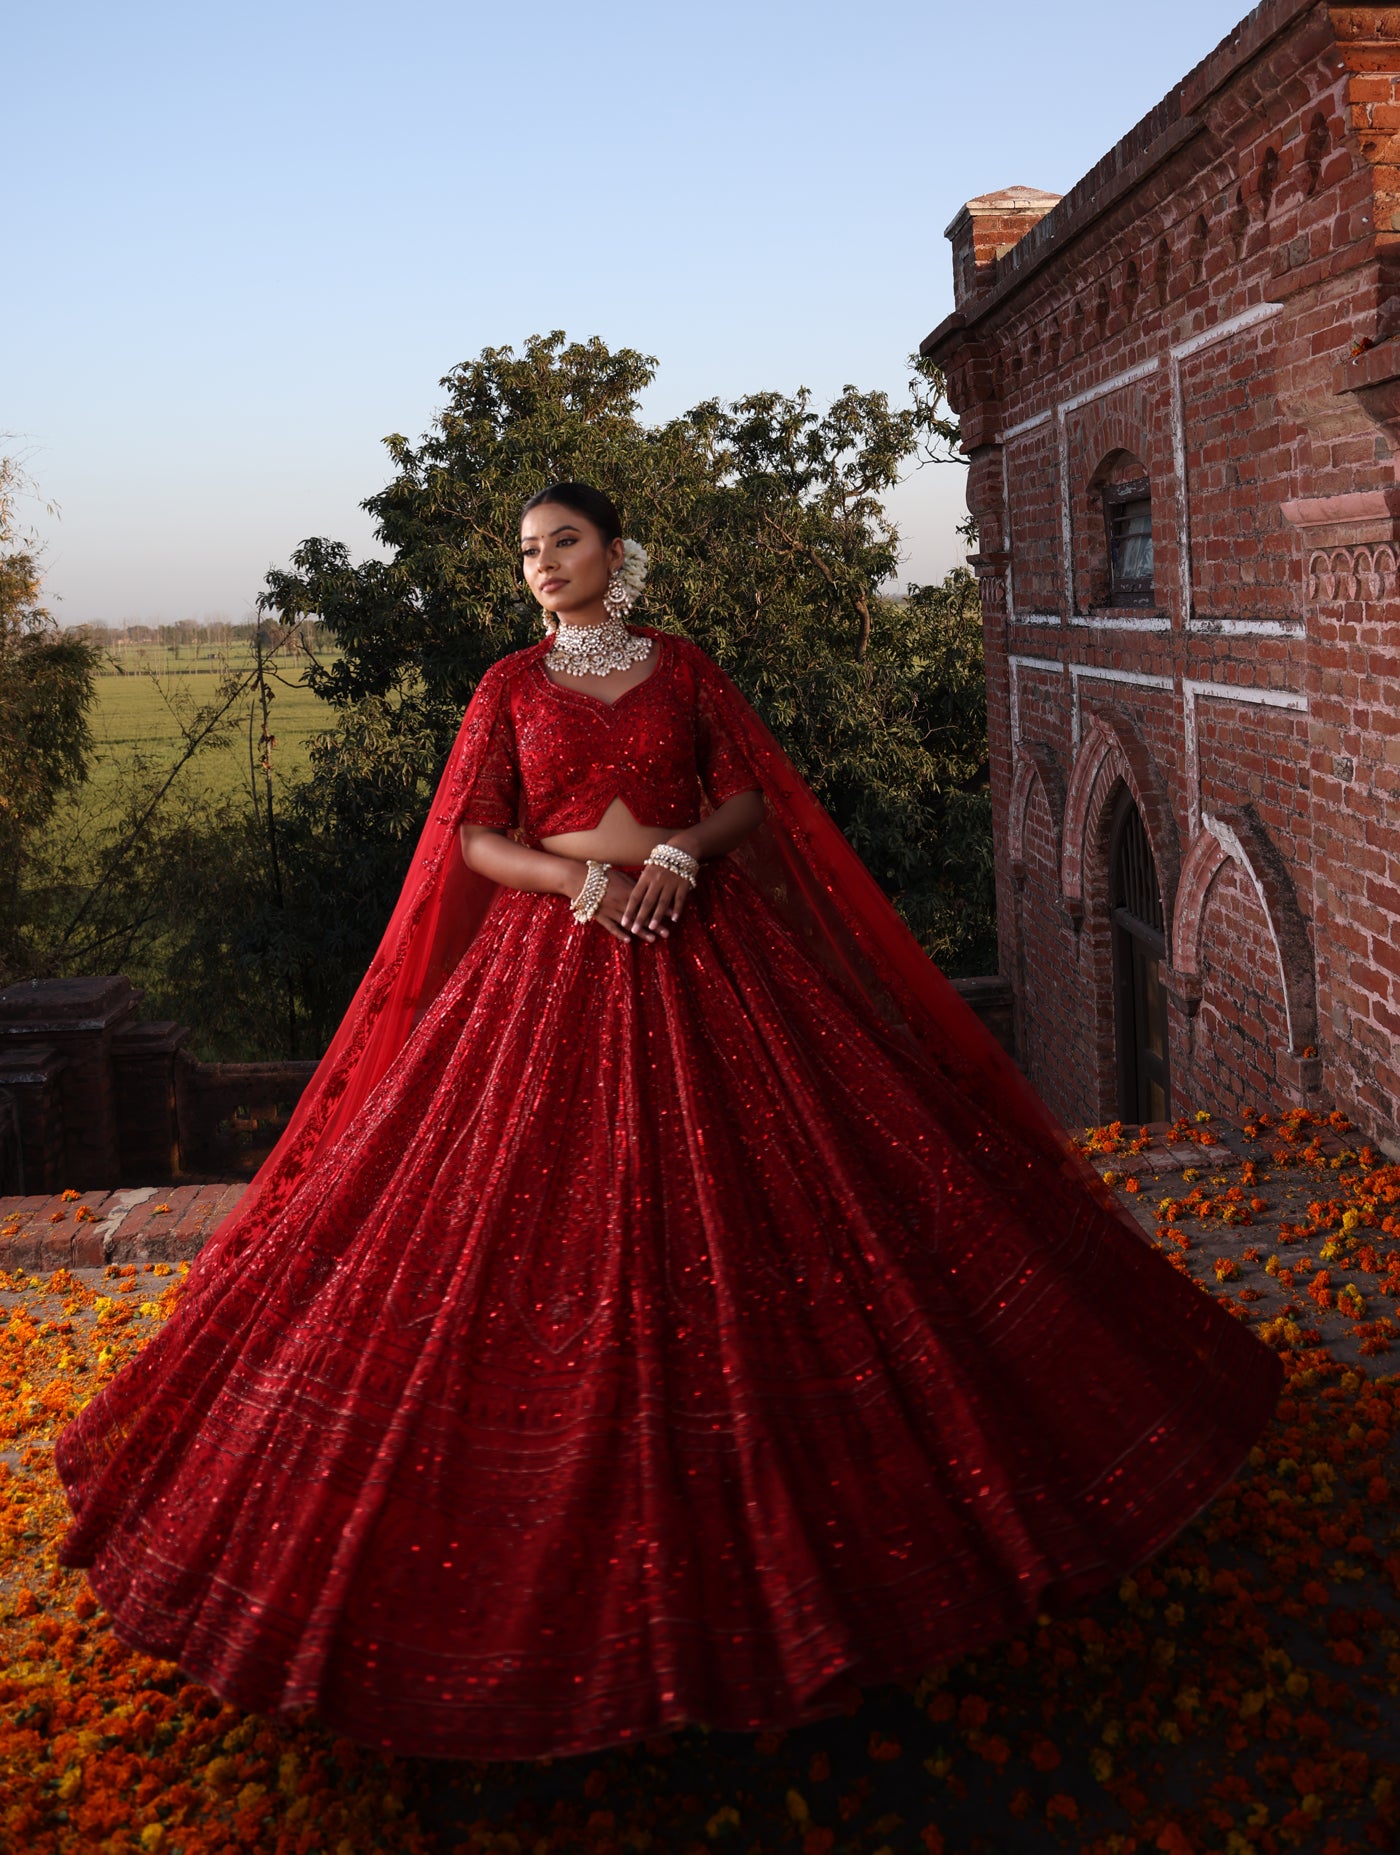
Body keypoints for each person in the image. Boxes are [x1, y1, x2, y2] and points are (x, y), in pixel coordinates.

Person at [53, 481, 1282, 1764]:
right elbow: (473, 838)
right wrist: (581, 875)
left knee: (795, 1205)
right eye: (527, 552)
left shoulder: (683, 668)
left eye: (564, 542)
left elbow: (752, 797)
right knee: (519, 1225)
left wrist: (688, 853)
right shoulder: (505, 688)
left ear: (615, 554)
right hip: (558, 955)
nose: (543, 565)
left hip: (708, 944)